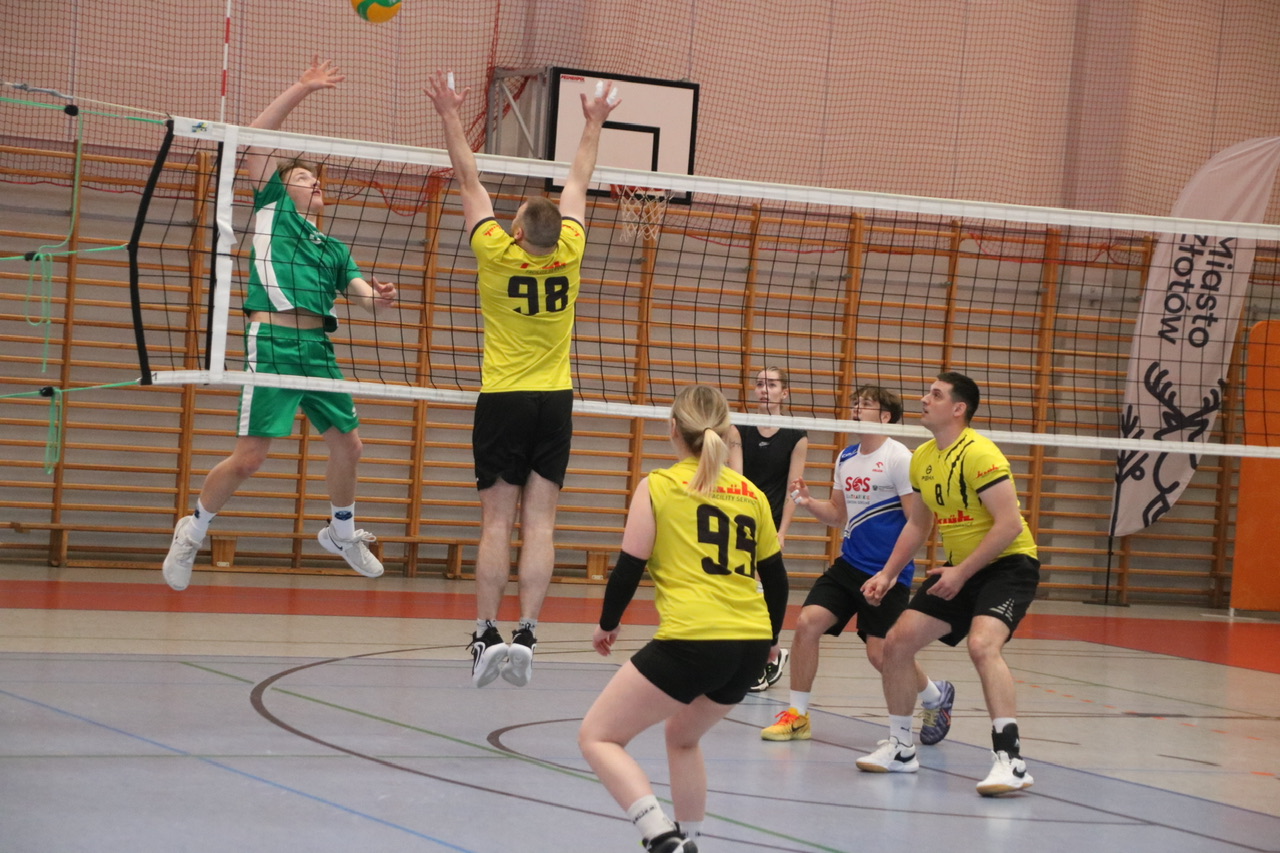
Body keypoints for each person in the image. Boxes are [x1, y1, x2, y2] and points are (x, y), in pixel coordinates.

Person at [162, 56, 397, 592]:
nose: (314, 183)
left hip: (318, 350)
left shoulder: (334, 248)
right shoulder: (273, 211)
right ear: (281, 188)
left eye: (316, 179)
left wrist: (377, 298)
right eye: (303, 177)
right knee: (250, 459)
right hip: (272, 343)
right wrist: (302, 87)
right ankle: (193, 530)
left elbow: (361, 296)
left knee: (350, 446)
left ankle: (341, 533)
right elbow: (255, 142)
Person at [425, 70, 620, 688]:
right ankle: (528, 633)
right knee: (541, 525)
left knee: (495, 524)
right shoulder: (573, 248)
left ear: (515, 232)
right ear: (556, 232)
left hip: (504, 398)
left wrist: (450, 113)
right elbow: (579, 180)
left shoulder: (493, 249)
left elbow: (468, 179)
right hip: (554, 400)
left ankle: (486, 635)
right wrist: (594, 121)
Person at [579, 385, 788, 853]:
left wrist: (608, 623)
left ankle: (660, 836)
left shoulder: (659, 485)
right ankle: (690, 842)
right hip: (750, 644)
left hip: (695, 638)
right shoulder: (752, 493)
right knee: (682, 736)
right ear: (727, 431)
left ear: (672, 428)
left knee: (598, 737)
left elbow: (629, 566)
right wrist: (771, 639)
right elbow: (777, 579)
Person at [860, 372, 1040, 795]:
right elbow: (918, 525)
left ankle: (1011, 761)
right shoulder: (922, 457)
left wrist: (962, 573)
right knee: (896, 643)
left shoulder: (980, 453)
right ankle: (901, 748)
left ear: (958, 409)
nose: (924, 399)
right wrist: (888, 573)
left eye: (936, 395)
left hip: (1008, 564)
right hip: (960, 567)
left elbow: (1010, 525)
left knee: (982, 645)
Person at [760, 385, 954, 745]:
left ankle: (934, 695)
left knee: (881, 654)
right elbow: (838, 515)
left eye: (865, 405)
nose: (855, 409)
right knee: (807, 623)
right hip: (849, 566)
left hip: (886, 573)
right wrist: (808, 502)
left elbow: (917, 523)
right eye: (855, 404)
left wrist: (889, 573)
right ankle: (798, 716)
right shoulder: (846, 457)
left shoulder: (900, 459)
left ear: (885, 416)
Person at [728, 366, 808, 692]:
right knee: (741, 589)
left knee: (765, 588)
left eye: (771, 384)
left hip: (771, 522)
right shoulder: (738, 428)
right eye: (760, 383)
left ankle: (765, 654)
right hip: (742, 517)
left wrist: (782, 530)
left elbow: (793, 487)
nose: (764, 389)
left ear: (784, 393)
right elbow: (737, 480)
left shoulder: (796, 435)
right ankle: (761, 654)